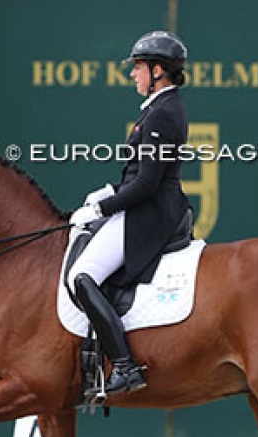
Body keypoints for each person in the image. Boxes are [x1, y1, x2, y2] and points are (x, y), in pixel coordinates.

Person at [67, 30, 190, 397]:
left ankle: (125, 367)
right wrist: (107, 191)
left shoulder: (162, 114)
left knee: (83, 275)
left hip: (152, 213)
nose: (132, 75)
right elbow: (137, 174)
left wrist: (100, 208)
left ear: (158, 71)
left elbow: (148, 183)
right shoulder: (158, 109)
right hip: (148, 205)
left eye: (137, 68)